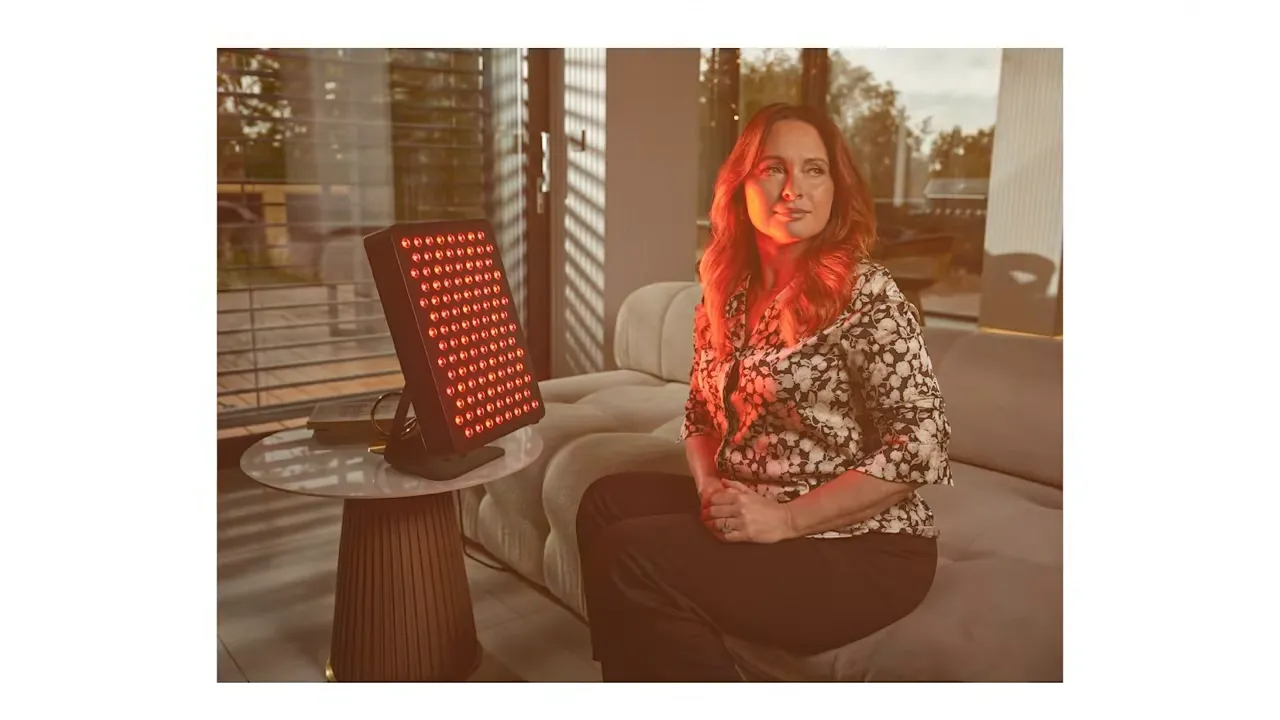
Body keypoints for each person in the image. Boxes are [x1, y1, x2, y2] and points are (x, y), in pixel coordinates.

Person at [575, 103, 954, 682]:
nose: (793, 190)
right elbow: (700, 413)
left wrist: (784, 521)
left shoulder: (866, 291)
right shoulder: (725, 287)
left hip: (862, 545)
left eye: (815, 170)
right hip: (756, 497)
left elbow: (921, 444)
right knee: (603, 503)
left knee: (631, 554)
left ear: (836, 188)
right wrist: (709, 490)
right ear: (741, 185)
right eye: (774, 168)